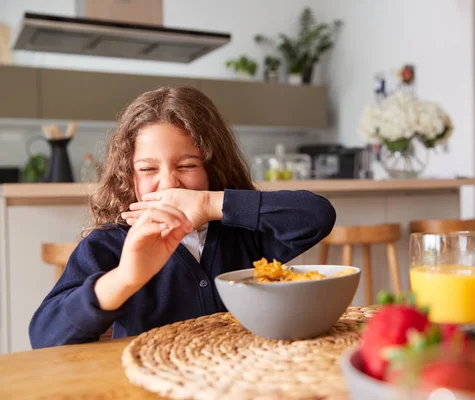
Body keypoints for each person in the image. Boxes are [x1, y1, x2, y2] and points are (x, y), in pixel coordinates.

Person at [29, 86, 336, 348]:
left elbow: (317, 215)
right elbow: (44, 336)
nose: (169, 184)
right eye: (148, 169)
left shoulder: (242, 232)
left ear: (213, 168)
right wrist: (126, 277)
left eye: (187, 165)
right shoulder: (109, 244)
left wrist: (209, 203)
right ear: (128, 176)